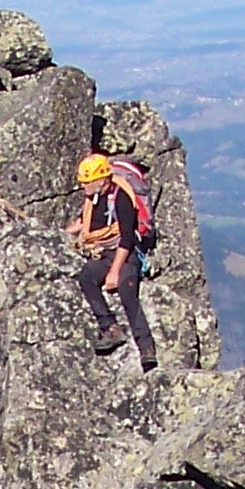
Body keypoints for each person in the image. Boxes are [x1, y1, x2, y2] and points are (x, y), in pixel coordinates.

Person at [69, 152, 156, 367]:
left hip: (125, 253)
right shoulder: (94, 198)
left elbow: (127, 238)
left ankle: (146, 348)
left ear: (101, 180)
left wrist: (115, 272)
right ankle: (109, 327)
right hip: (105, 251)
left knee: (127, 289)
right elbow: (84, 222)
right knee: (86, 277)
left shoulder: (122, 198)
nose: (83, 187)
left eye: (87, 182)